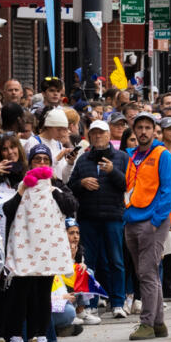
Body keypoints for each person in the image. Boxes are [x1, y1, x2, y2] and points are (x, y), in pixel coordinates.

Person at [0, 146, 78, 342]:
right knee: (18, 294)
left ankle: (41, 337)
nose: (41, 164)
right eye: (37, 160)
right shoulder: (21, 183)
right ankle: (16, 338)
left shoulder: (57, 185)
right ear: (30, 162)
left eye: (45, 160)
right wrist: (22, 189)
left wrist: (54, 191)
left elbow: (71, 206)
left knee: (42, 295)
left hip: (46, 250)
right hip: (24, 247)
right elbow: (7, 211)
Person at [122, 110, 171, 341]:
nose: (143, 132)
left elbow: (169, 190)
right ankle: (158, 323)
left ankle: (146, 323)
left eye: (148, 128)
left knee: (146, 272)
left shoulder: (162, 155)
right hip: (132, 219)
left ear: (155, 131)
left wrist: (157, 221)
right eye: (139, 128)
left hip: (152, 222)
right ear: (134, 130)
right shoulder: (130, 155)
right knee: (147, 273)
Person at [69, 117, 128, 320]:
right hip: (89, 217)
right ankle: (91, 304)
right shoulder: (83, 159)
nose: (97, 136)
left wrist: (113, 172)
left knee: (116, 261)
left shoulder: (121, 157)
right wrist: (82, 183)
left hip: (113, 216)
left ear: (109, 135)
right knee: (90, 262)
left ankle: (118, 302)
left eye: (101, 133)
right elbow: (70, 186)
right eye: (94, 133)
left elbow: (126, 184)